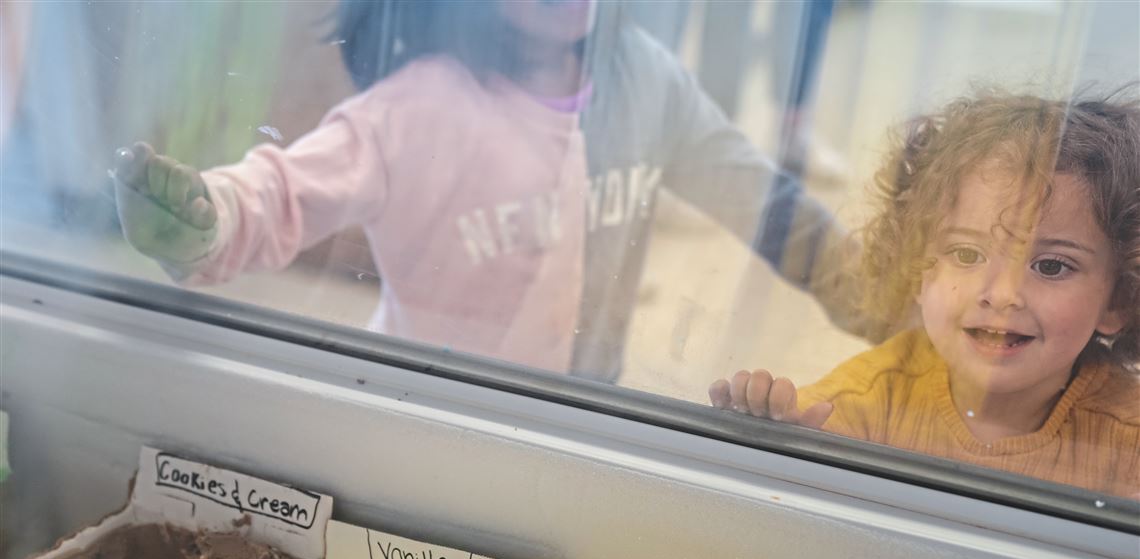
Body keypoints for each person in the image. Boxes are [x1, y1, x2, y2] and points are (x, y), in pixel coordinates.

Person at [112, 0, 860, 382]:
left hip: (580, 415)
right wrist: (209, 218)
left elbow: (766, 203)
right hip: (425, 418)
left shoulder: (641, 76)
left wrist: (884, 292)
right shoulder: (420, 108)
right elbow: (282, 192)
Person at [710, 90, 1140, 498]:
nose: (1002, 294)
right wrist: (772, 444)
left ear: (1118, 299)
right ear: (915, 269)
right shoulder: (865, 400)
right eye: (967, 253)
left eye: (1050, 266)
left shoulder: (1128, 436)